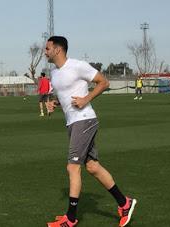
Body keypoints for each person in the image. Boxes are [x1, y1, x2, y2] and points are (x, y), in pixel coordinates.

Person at [44, 36, 136, 227]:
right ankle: (124, 203)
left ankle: (70, 218)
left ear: (58, 50)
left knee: (73, 167)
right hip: (73, 122)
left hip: (84, 120)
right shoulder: (54, 72)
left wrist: (86, 98)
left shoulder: (78, 66)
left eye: (47, 48)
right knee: (93, 167)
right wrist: (56, 104)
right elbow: (68, 97)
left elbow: (104, 82)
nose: (45, 52)